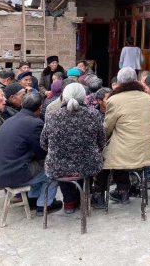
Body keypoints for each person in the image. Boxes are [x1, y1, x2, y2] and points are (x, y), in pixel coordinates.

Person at [91, 67, 150, 209]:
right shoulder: (147, 97)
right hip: (146, 149)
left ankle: (98, 195)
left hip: (127, 150)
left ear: (119, 82)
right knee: (118, 147)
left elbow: (107, 128)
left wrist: (100, 143)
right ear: (135, 80)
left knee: (104, 156)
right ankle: (123, 192)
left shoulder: (114, 100)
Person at [0, 93, 63, 216]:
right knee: (53, 172)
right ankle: (44, 205)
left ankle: (33, 199)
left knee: (38, 166)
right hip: (13, 173)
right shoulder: (35, 123)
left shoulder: (10, 120)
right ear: (40, 107)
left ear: (22, 104)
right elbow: (41, 151)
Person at [41, 83, 105, 214]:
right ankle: (83, 199)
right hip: (88, 165)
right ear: (84, 97)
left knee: (62, 165)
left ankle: (69, 202)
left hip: (57, 166)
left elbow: (43, 143)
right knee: (85, 165)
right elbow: (101, 141)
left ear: (64, 97)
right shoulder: (94, 115)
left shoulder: (52, 116)